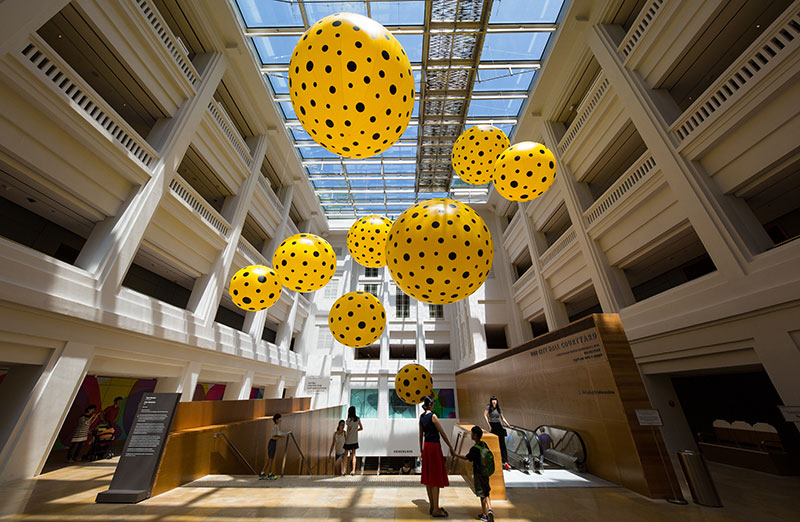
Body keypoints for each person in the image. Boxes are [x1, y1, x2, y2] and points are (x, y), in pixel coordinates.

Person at [420, 395, 454, 518]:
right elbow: (442, 432)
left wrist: (421, 450)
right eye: (433, 403)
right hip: (434, 447)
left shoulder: (421, 417)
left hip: (426, 447)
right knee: (435, 478)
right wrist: (450, 446)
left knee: (429, 479)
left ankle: (432, 506)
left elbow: (420, 435)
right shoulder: (433, 416)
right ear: (430, 405)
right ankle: (436, 509)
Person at [454, 426, 494, 522]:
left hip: (478, 473)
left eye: (472, 433)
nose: (471, 435)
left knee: (481, 494)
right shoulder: (484, 444)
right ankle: (490, 510)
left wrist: (455, 455)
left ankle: (484, 515)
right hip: (486, 472)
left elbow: (467, 458)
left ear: (475, 435)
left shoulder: (474, 449)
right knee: (487, 492)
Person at [483, 396, 512, 470]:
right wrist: (489, 426)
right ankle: (494, 461)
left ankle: (505, 462)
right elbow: (485, 415)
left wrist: (508, 425)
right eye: (493, 400)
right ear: (491, 401)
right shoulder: (488, 407)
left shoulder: (499, 408)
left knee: (502, 444)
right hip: (492, 425)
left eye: (495, 400)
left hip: (499, 426)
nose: (494, 402)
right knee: (494, 443)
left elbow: (502, 418)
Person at [260, 413, 290, 480]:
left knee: (269, 459)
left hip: (273, 443)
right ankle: (270, 474)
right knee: (271, 460)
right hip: (272, 443)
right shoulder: (275, 427)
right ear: (276, 420)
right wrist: (281, 438)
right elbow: (273, 436)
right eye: (279, 419)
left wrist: (285, 434)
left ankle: (262, 473)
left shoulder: (276, 426)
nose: (280, 420)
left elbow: (279, 433)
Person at [344, 406, 363, 475]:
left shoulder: (348, 420)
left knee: (346, 455)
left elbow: (348, 431)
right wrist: (355, 430)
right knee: (354, 455)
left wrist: (345, 438)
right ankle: (353, 471)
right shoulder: (357, 419)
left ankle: (344, 471)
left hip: (348, 440)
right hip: (355, 440)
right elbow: (361, 428)